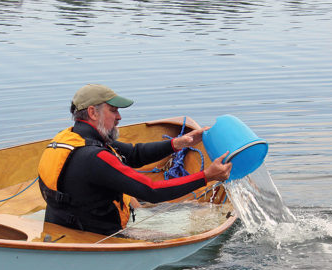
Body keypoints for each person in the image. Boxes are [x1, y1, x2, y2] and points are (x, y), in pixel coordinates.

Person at [38, 84, 232, 235]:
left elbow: (133, 154)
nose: (119, 117)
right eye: (113, 110)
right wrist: (207, 176)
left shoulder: (69, 139)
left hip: (60, 227)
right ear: (92, 112)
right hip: (97, 240)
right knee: (203, 215)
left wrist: (177, 143)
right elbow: (152, 190)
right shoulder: (95, 157)